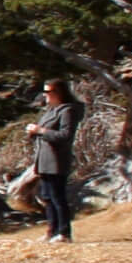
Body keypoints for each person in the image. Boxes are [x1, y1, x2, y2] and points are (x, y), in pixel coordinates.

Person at [29, 78, 82, 242]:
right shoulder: (51, 110)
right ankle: (52, 230)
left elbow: (65, 135)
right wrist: (34, 133)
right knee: (47, 197)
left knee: (57, 197)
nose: (45, 95)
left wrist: (41, 130)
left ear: (58, 93)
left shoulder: (67, 111)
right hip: (44, 160)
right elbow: (42, 135)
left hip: (57, 161)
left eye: (48, 92)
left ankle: (64, 233)